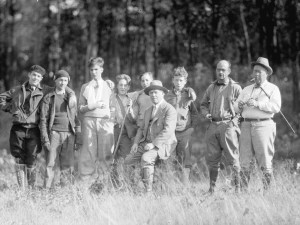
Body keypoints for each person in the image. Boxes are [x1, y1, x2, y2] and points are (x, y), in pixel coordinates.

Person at [234, 57, 281, 190]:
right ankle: (243, 192)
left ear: (266, 73)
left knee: (265, 159)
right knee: (244, 160)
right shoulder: (246, 89)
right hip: (245, 125)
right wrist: (240, 105)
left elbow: (276, 107)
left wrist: (258, 104)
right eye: (255, 71)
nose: (256, 74)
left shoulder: (272, 89)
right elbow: (235, 107)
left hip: (264, 125)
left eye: (259, 71)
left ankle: (267, 192)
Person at [0, 65, 49, 189]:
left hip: (34, 129)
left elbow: (61, 88)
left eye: (38, 76)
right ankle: (22, 190)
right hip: (18, 129)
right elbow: (2, 98)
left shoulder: (45, 90)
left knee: (32, 157)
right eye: (33, 75)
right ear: (29, 75)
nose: (35, 77)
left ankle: (31, 189)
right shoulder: (17, 90)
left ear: (41, 78)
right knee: (19, 157)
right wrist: (10, 108)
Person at [124, 80, 177, 192]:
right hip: (146, 142)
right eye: (151, 92)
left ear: (162, 93)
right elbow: (141, 128)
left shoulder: (169, 109)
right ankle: (133, 189)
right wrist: (135, 143)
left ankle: (148, 192)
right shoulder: (148, 110)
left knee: (146, 158)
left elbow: (168, 131)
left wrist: (153, 144)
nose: (153, 95)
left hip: (162, 144)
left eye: (156, 92)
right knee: (128, 160)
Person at [200, 60, 242, 193]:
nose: (220, 72)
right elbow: (203, 104)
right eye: (218, 69)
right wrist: (206, 114)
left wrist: (234, 122)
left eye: (223, 70)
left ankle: (238, 189)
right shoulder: (211, 87)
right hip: (213, 125)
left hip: (228, 125)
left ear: (229, 71)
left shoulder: (235, 87)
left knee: (233, 158)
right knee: (212, 159)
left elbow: (242, 109)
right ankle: (212, 189)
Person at [39, 70, 80, 189]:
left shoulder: (70, 97)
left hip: (69, 134)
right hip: (54, 134)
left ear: (68, 81)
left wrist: (78, 136)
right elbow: (43, 119)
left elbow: (76, 117)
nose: (63, 82)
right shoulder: (48, 97)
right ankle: (47, 190)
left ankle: (66, 190)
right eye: (60, 80)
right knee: (50, 163)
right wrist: (45, 138)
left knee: (68, 164)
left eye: (65, 80)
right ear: (55, 80)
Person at [78, 57, 114, 183]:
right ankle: (86, 183)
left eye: (96, 69)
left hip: (105, 122)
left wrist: (111, 119)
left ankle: (104, 182)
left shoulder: (109, 85)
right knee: (88, 152)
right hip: (89, 121)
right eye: (92, 69)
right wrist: (91, 106)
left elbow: (114, 105)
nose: (94, 72)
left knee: (105, 152)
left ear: (102, 70)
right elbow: (81, 109)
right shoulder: (85, 87)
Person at [164, 67, 198, 183]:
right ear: (172, 80)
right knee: (169, 159)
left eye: (181, 80)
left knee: (185, 160)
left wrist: (192, 128)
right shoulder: (167, 96)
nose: (178, 83)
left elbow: (194, 113)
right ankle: (171, 186)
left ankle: (184, 187)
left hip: (185, 132)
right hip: (170, 133)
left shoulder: (188, 94)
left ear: (185, 81)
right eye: (176, 80)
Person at [110, 74, 137, 187]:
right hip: (113, 131)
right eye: (120, 85)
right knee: (112, 158)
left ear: (128, 87)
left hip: (126, 132)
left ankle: (130, 183)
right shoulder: (111, 98)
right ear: (117, 86)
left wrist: (130, 109)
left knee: (127, 158)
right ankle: (114, 184)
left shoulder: (131, 99)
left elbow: (134, 119)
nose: (122, 87)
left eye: (125, 85)